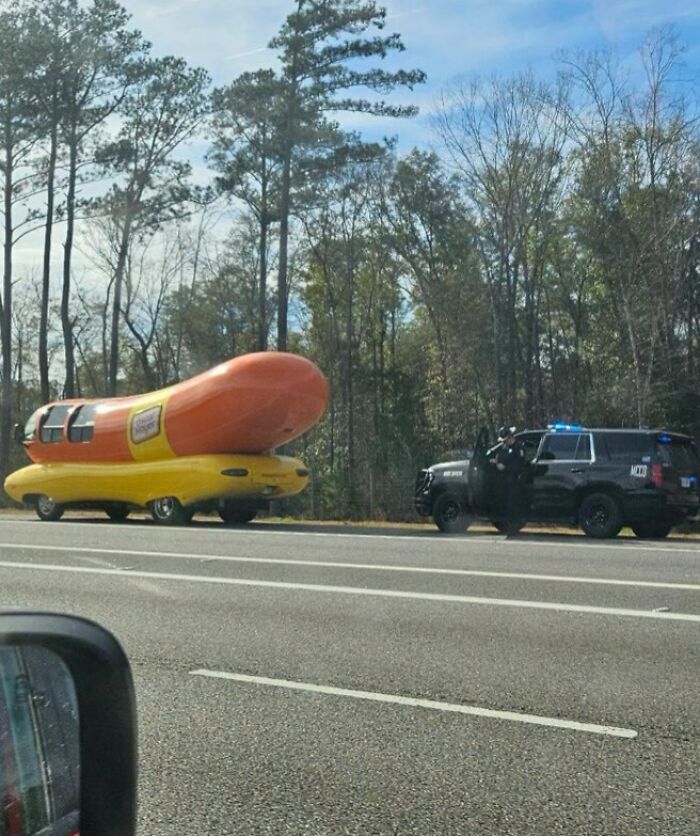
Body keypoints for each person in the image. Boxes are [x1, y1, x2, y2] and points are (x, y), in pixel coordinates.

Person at [489, 425, 526, 536]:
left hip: (515, 482)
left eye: (505, 440)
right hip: (505, 483)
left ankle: (513, 528)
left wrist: (505, 467)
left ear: (510, 437)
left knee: (513, 505)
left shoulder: (519, 448)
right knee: (506, 504)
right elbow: (501, 457)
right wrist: (495, 461)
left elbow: (520, 465)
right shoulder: (504, 448)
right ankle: (506, 526)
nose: (504, 442)